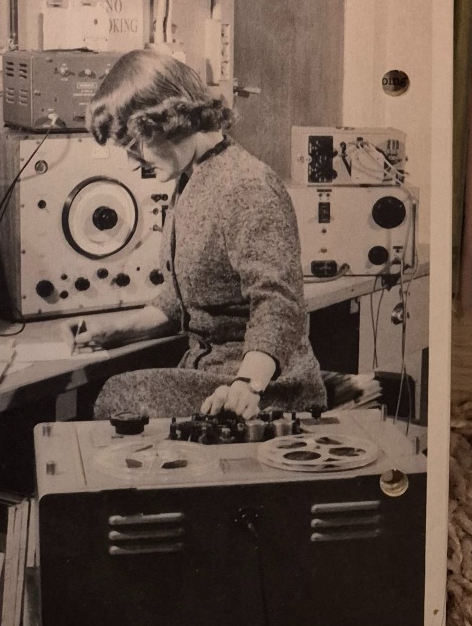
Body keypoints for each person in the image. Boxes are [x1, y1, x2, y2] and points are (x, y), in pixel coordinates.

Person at [74, 47, 325, 420]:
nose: (133, 162)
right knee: (109, 392)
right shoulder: (193, 178)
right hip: (215, 374)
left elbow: (279, 304)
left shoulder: (246, 185)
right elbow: (185, 299)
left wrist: (248, 384)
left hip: (261, 385)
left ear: (171, 121)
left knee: (118, 397)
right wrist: (116, 330)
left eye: (135, 145)